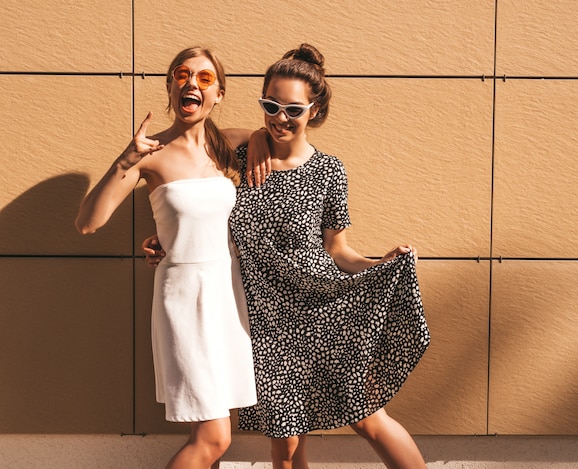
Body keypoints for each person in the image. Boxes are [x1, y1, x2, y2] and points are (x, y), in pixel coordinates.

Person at [145, 44, 430, 469]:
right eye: (270, 106)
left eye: (293, 110)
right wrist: (162, 237)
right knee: (285, 442)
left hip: (322, 310)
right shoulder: (234, 159)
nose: (280, 118)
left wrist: (382, 264)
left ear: (313, 111)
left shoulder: (329, 170)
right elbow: (196, 195)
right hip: (263, 321)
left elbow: (338, 250)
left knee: (369, 418)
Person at [75, 46, 265, 469]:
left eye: (204, 77)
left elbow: (275, 143)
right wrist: (125, 159)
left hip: (226, 297)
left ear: (218, 94)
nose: (191, 83)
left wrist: (261, 144)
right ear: (170, 86)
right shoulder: (150, 153)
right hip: (184, 298)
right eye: (181, 74)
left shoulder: (233, 143)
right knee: (215, 439)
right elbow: (88, 222)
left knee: (207, 434)